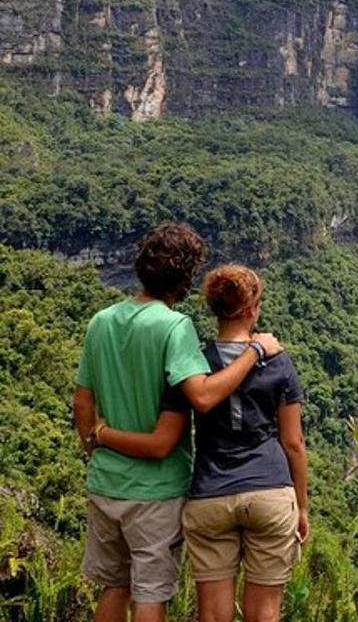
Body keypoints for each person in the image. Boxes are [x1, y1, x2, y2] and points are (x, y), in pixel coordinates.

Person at [73, 222, 283, 622]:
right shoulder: (174, 327)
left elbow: (82, 397)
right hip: (155, 490)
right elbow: (201, 396)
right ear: (185, 278)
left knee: (113, 587)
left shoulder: (100, 321)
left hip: (104, 484)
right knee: (150, 592)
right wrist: (255, 350)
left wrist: (94, 440)